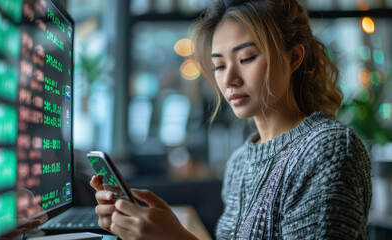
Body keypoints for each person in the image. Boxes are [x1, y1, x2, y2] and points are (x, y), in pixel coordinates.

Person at [90, 0, 372, 239]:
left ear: (294, 57)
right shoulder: (240, 162)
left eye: (247, 58)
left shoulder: (329, 148)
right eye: (219, 65)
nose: (229, 80)